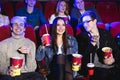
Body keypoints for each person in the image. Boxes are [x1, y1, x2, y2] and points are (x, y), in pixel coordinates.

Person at [76, 10, 120, 80]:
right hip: (94, 69)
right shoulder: (81, 37)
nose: (85, 25)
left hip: (111, 67)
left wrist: (113, 60)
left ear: (95, 21)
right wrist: (92, 44)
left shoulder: (106, 34)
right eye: (83, 22)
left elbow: (116, 51)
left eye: (87, 21)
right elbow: (82, 58)